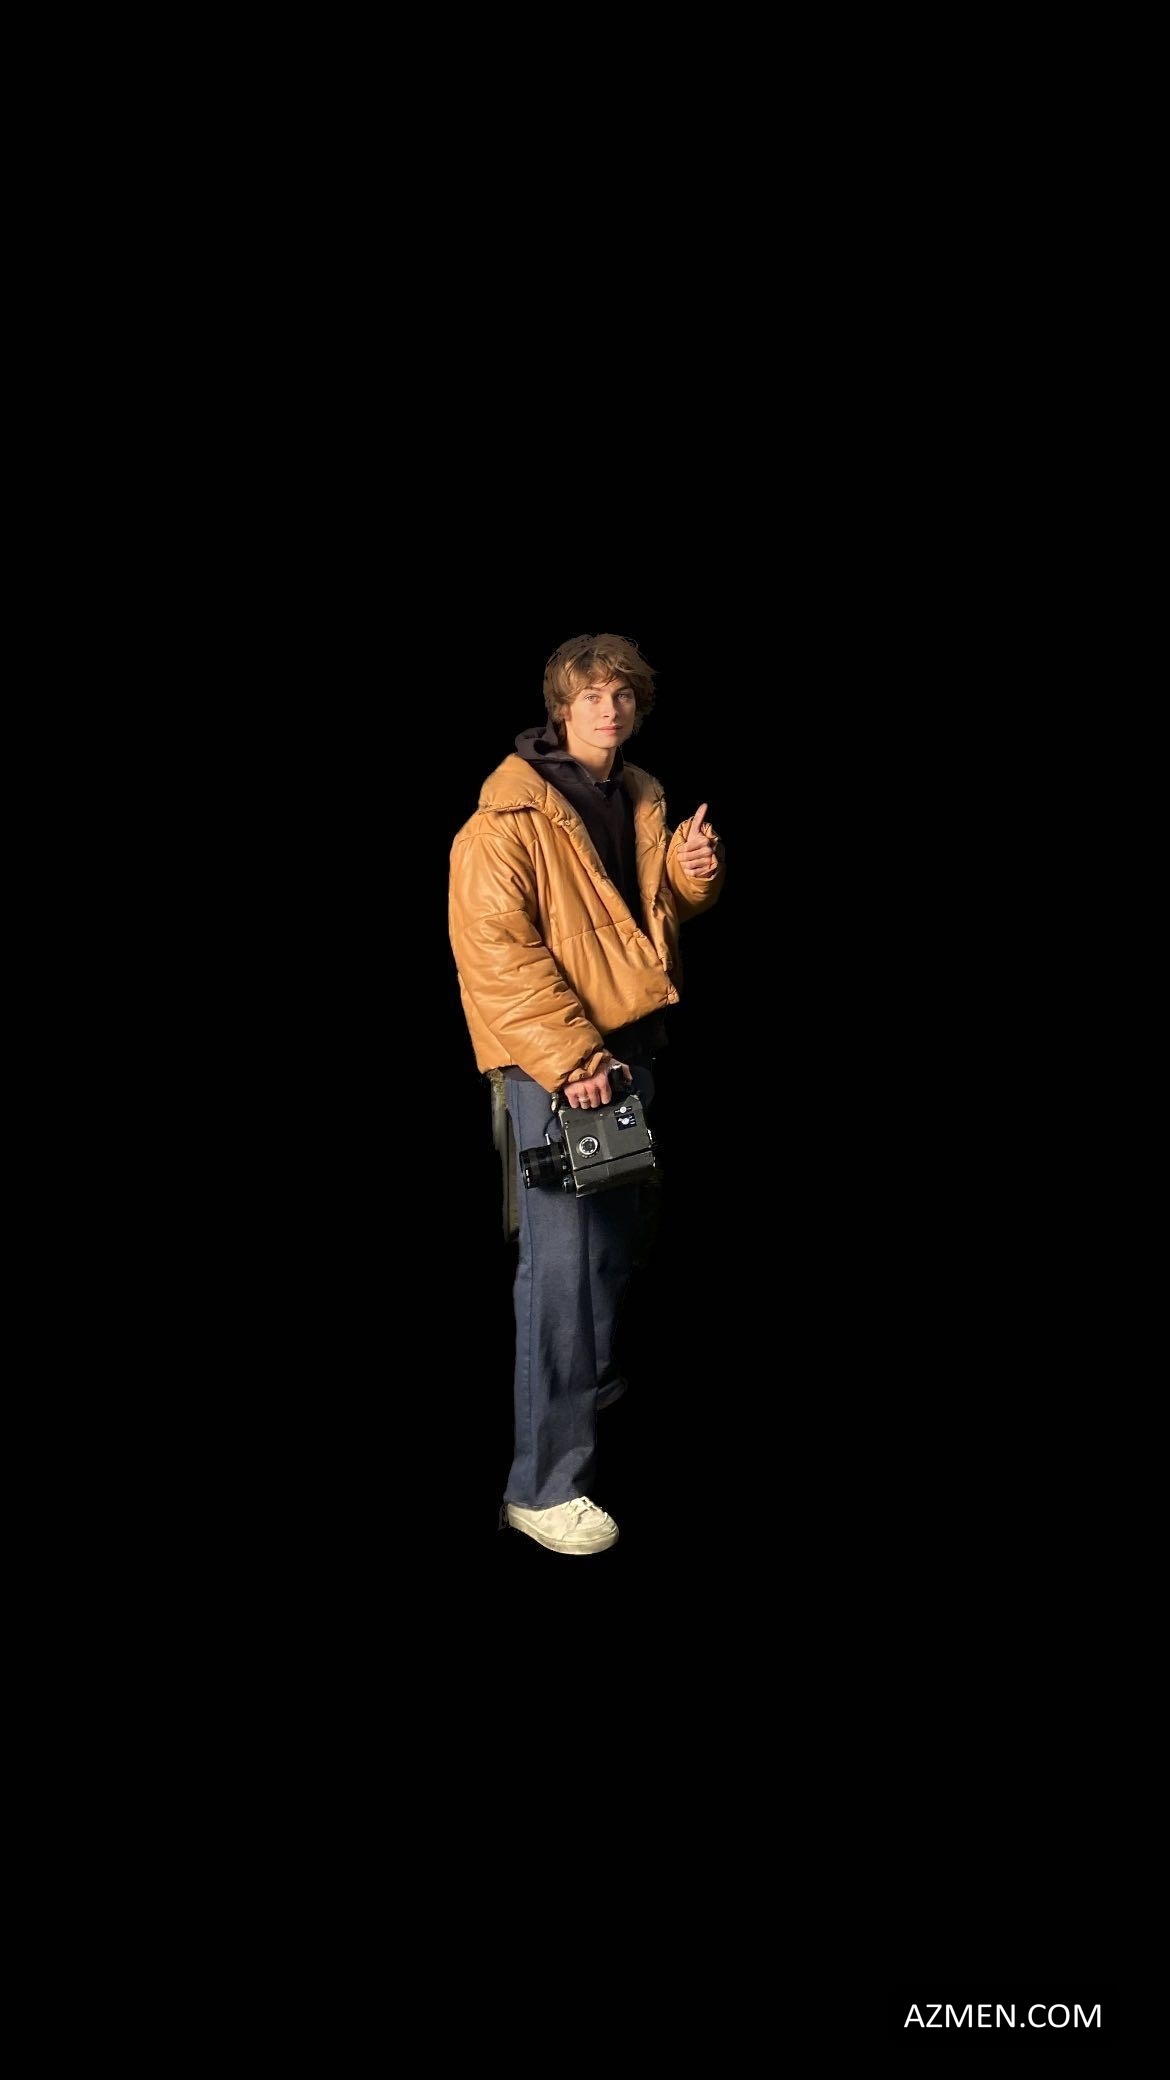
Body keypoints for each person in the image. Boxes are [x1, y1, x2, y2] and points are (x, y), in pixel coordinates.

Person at [447, 632, 726, 1556]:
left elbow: (632, 923)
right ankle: (543, 1485)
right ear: (560, 709)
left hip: (628, 1051)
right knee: (560, 1272)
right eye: (591, 696)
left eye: (622, 695)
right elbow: (497, 954)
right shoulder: (505, 819)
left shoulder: (636, 796)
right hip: (559, 1066)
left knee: (609, 1251)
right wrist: (573, 1059)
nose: (609, 709)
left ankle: (586, 1386)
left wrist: (686, 878)